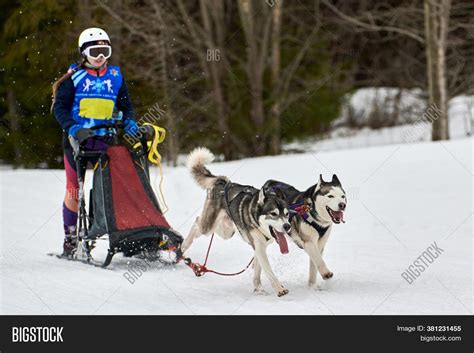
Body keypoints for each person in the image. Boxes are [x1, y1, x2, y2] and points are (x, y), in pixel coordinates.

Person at [52, 27, 139, 256]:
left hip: (106, 140)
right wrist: (73, 127)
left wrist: (130, 121)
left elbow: (126, 105)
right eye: (95, 51)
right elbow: (59, 108)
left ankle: (121, 235)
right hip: (77, 141)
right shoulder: (73, 78)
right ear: (84, 53)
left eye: (105, 51)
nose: (100, 56)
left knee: (113, 186)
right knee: (74, 189)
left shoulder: (116, 76)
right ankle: (70, 239)